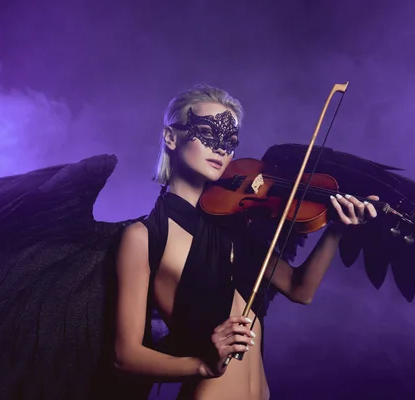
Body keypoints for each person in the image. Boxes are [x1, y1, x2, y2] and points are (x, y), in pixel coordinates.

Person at [112, 84, 379, 399]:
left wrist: (336, 228)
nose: (221, 148)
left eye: (230, 140)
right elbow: (124, 355)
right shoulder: (143, 237)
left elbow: (300, 289)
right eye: (208, 133)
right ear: (171, 137)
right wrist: (201, 366)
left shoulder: (234, 225)